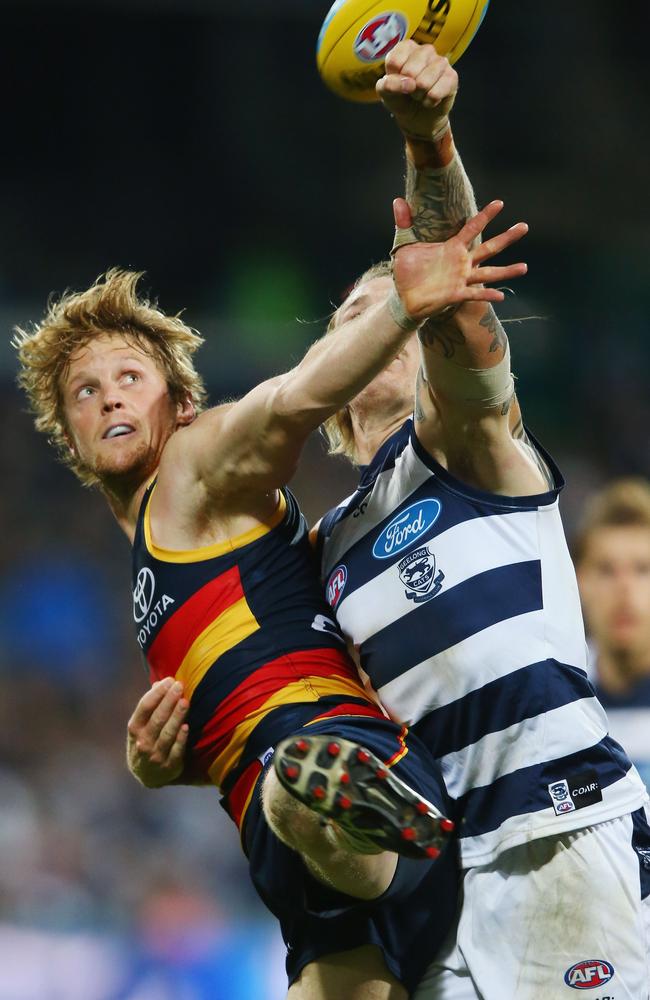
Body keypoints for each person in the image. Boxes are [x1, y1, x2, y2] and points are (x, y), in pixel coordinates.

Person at [14, 166, 528, 998]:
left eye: (130, 379)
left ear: (181, 405)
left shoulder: (193, 464)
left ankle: (339, 808)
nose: (109, 398)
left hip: (349, 769)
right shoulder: (160, 547)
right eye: (86, 391)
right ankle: (320, 812)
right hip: (291, 857)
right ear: (68, 435)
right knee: (290, 805)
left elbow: (291, 400)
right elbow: (252, 688)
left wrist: (402, 305)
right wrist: (165, 766)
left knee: (300, 793)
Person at [310, 39, 650, 1000]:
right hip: (436, 885)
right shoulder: (325, 548)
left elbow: (455, 299)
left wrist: (427, 141)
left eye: (397, 310)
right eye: (352, 315)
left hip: (558, 837)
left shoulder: (466, 449)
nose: (381, 321)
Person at [574, 477, 650, 791]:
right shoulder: (556, 703)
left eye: (642, 569)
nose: (624, 589)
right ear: (578, 580)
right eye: (606, 570)